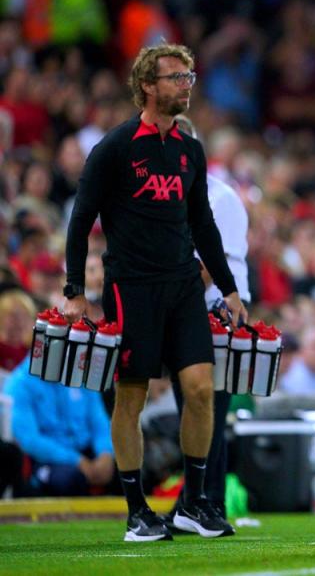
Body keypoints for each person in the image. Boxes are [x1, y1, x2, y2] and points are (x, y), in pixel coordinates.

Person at [63, 43, 246, 542]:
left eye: (189, 77)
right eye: (175, 78)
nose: (186, 85)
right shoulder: (116, 147)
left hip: (184, 285)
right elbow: (81, 221)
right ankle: (137, 509)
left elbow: (203, 224)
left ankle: (192, 502)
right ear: (148, 85)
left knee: (202, 391)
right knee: (132, 397)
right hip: (132, 286)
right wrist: (75, 289)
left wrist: (228, 288)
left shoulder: (190, 149)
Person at [163, 114, 250, 529]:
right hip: (183, 306)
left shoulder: (222, 198)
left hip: (217, 308)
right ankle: (196, 499)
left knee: (210, 404)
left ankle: (203, 499)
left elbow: (211, 265)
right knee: (192, 407)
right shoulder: (167, 198)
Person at [3, 357, 115, 496]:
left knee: (126, 471)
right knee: (70, 479)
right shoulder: (20, 383)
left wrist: (106, 453)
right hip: (47, 460)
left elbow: (100, 423)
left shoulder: (80, 376)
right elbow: (29, 439)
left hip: (88, 451)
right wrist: (76, 460)